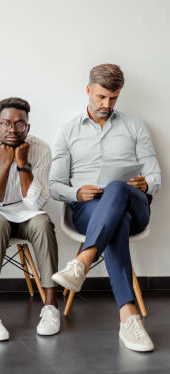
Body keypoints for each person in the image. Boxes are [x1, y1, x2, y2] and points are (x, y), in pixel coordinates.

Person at [50, 64, 161, 352]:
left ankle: (83, 261)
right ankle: (128, 317)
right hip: (89, 210)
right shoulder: (68, 131)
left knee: (116, 189)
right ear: (88, 90)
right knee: (116, 223)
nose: (106, 105)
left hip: (135, 205)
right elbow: (54, 185)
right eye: (100, 97)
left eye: (113, 98)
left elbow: (156, 177)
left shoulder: (135, 127)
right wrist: (77, 191)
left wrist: (144, 185)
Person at [0, 97, 59, 341]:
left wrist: (22, 164)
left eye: (19, 124)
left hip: (24, 211)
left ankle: (50, 306)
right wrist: (6, 164)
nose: (12, 130)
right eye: (6, 123)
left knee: (43, 222)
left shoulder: (41, 149)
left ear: (28, 127)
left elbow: (36, 203)